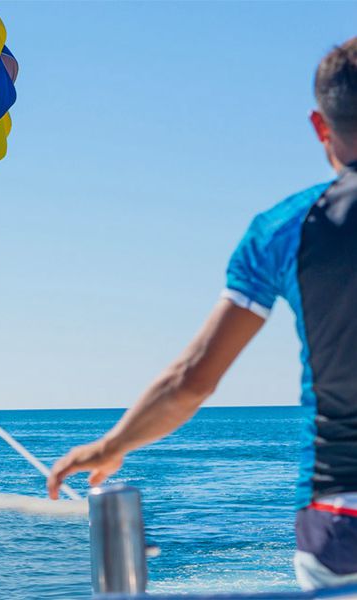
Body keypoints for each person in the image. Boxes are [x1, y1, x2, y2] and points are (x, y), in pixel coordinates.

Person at [47, 38, 357, 591]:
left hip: (340, 522)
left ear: (319, 125)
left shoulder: (284, 230)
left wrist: (110, 445)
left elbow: (192, 379)